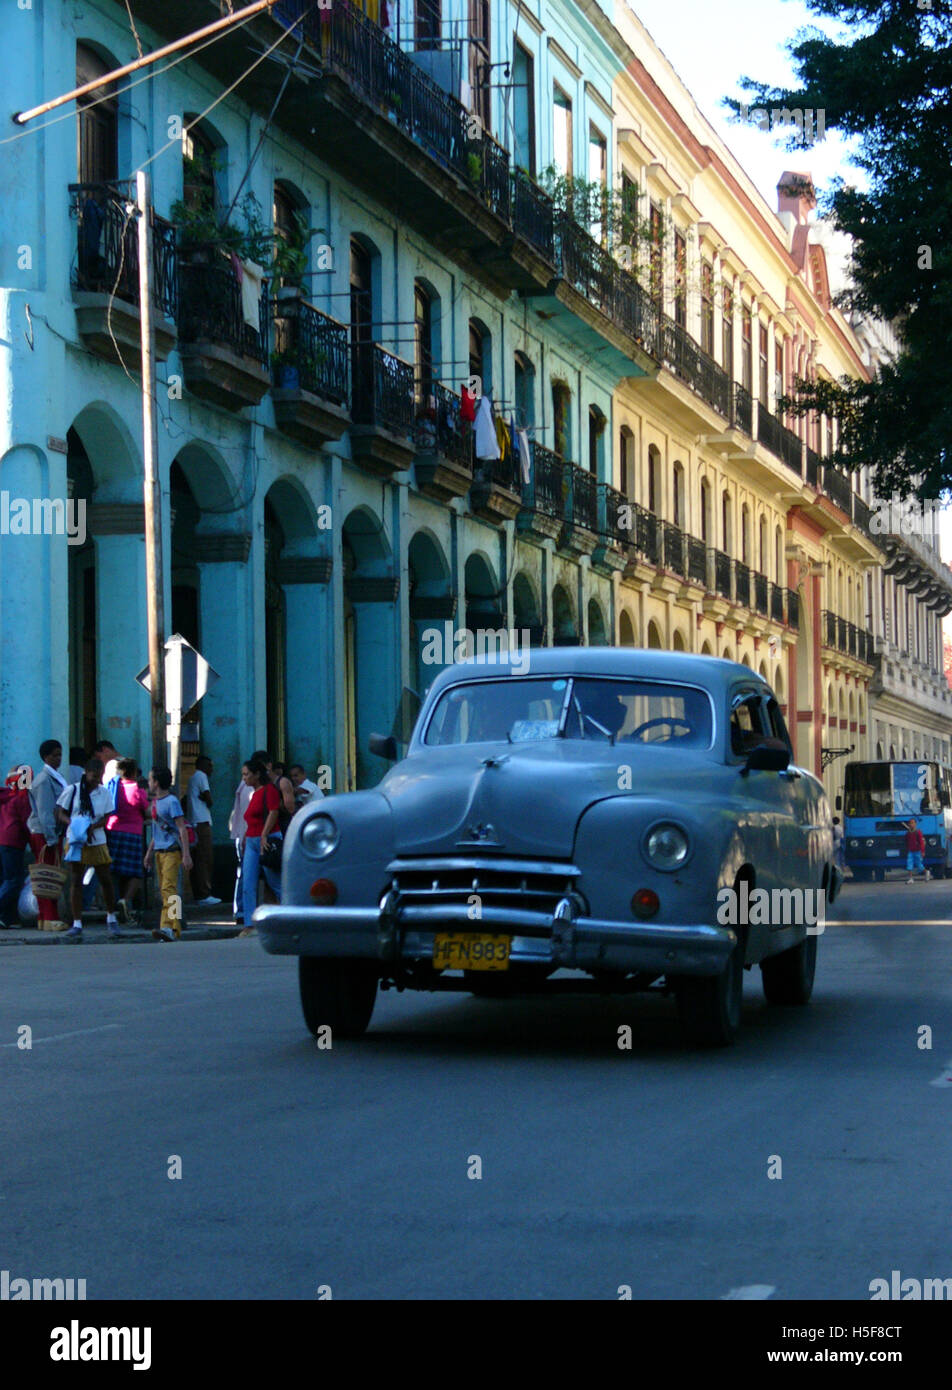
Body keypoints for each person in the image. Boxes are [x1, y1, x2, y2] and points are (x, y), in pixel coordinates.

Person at [56, 759, 121, 941]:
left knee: (105, 879)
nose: (97, 780)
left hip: (97, 840)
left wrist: (91, 827)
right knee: (76, 880)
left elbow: (108, 817)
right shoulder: (73, 790)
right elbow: (60, 812)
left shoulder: (104, 793)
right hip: (76, 840)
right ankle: (77, 922)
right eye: (94, 776)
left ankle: (111, 917)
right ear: (86, 773)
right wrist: (75, 825)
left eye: (99, 776)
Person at [143, 767, 192, 942]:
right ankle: (175, 927)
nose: (148, 783)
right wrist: (149, 853)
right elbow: (157, 832)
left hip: (172, 851)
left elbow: (181, 828)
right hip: (159, 851)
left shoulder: (172, 801)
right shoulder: (156, 802)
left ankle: (167, 926)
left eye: (150, 779)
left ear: (156, 782)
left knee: (168, 889)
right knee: (169, 891)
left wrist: (186, 854)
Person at [26, 739, 69, 932]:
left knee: (50, 875)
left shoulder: (54, 777)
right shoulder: (44, 780)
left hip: (51, 833)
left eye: (60, 754)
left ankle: (46, 917)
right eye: (54, 755)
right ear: (46, 757)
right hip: (44, 834)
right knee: (47, 876)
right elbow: (45, 812)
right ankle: (49, 916)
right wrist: (51, 838)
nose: (58, 759)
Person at [105, 757, 150, 923]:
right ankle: (124, 900)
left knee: (113, 871)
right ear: (133, 772)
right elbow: (147, 812)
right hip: (133, 834)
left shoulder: (112, 788)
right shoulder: (138, 791)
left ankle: (113, 903)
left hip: (112, 832)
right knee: (136, 873)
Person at [241, 758, 282, 935]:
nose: (244, 778)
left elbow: (274, 812)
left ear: (257, 774)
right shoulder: (253, 793)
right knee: (247, 882)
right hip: (251, 840)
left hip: (267, 840)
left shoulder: (269, 790)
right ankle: (249, 924)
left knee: (275, 883)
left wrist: (264, 834)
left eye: (246, 774)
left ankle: (291, 916)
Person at [0, 768, 32, 928]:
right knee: (13, 880)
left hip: (2, 841)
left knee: (5, 880)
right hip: (13, 842)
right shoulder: (22, 798)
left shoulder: (5, 795)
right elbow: (28, 823)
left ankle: (7, 918)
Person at [187, 755, 220, 906]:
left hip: (195, 821)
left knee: (198, 858)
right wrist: (207, 799)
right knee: (205, 858)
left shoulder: (193, 778)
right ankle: (204, 893)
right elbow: (210, 799)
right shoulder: (201, 776)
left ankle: (199, 893)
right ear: (203, 766)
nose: (211, 769)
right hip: (201, 821)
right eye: (210, 766)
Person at [228, 771, 255, 926]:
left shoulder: (243, 787)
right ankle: (243, 912)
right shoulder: (250, 789)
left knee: (244, 875)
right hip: (247, 835)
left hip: (243, 834)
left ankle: (241, 912)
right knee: (246, 876)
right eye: (243, 774)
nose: (244, 777)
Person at [905, 818, 929, 883]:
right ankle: (910, 878)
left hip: (917, 851)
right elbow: (907, 842)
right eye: (910, 823)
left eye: (913, 823)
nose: (911, 824)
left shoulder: (918, 832)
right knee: (909, 864)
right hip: (910, 851)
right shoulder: (908, 833)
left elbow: (921, 842)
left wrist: (922, 851)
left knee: (919, 865)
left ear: (915, 824)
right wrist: (907, 850)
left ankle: (926, 872)